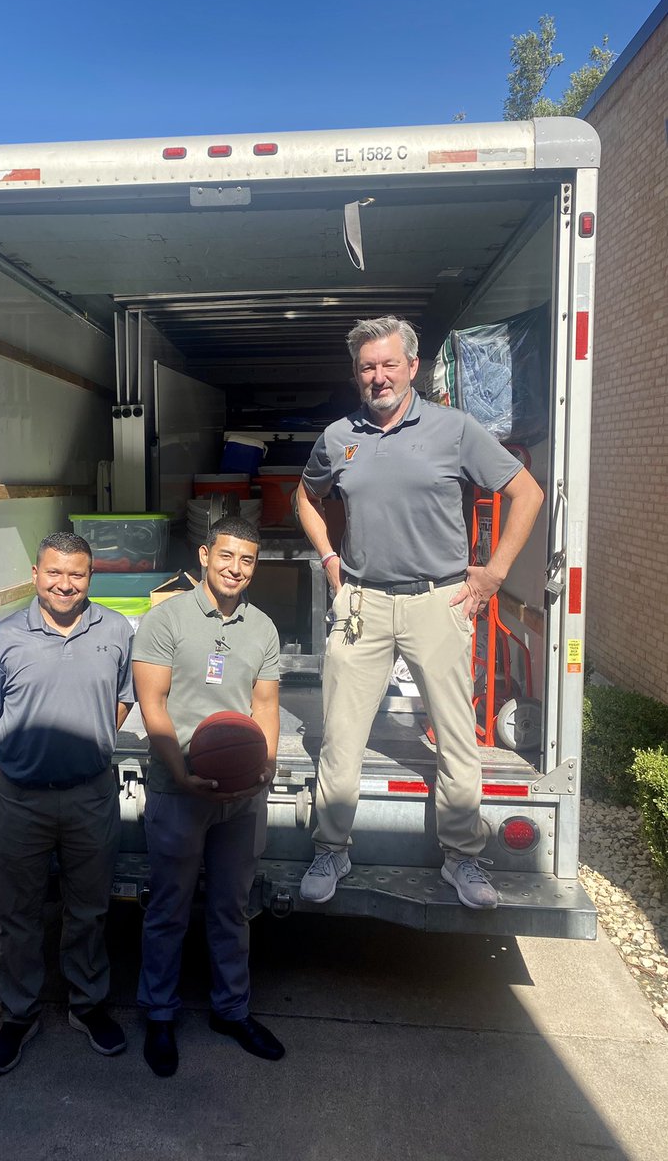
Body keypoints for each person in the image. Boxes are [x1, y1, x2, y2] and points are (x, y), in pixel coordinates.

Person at [296, 316, 544, 910]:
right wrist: (330, 559)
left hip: (440, 600)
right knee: (341, 736)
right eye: (366, 368)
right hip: (363, 601)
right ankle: (332, 847)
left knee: (457, 736)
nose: (377, 377)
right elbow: (308, 496)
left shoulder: (453, 429)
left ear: (412, 367)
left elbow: (526, 493)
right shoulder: (338, 437)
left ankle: (463, 858)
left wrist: (493, 574)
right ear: (356, 375)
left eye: (388, 365)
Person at [0, 532, 134, 1075]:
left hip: (91, 797)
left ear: (92, 576)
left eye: (78, 574)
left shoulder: (114, 630)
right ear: (36, 573)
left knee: (88, 910)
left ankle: (87, 1005)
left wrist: (84, 748)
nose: (65, 584)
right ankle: (19, 1013)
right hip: (20, 801)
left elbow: (121, 701)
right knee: (17, 913)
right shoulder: (4, 638)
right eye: (54, 573)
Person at [132, 515, 283, 1078]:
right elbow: (154, 706)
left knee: (231, 907)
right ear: (204, 554)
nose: (235, 568)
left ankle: (231, 1010)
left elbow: (264, 706)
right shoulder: (164, 618)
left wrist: (264, 765)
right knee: (168, 908)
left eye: (246, 560)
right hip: (180, 789)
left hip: (241, 796)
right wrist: (182, 769)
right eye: (227, 556)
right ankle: (160, 1015)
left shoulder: (262, 628)